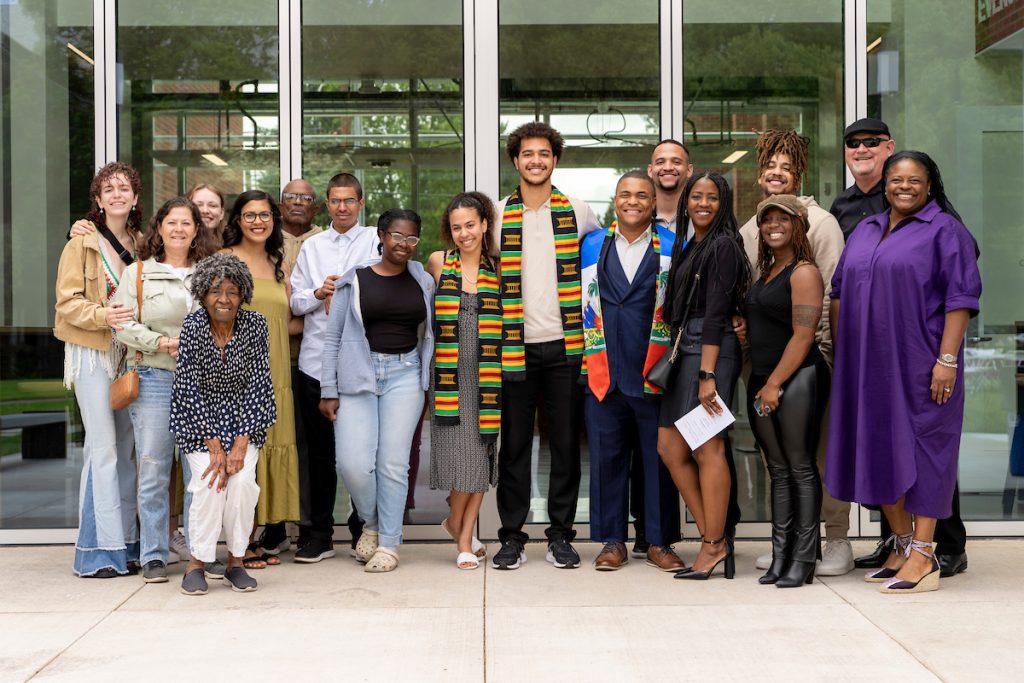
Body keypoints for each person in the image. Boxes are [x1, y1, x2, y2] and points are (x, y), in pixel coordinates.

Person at [826, 151, 981, 594]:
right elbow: (838, 290)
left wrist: (947, 360)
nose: (904, 186)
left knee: (926, 452)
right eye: (897, 179)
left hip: (922, 363)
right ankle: (902, 543)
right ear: (886, 184)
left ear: (930, 185)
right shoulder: (865, 229)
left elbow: (961, 299)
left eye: (915, 179)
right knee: (878, 449)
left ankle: (926, 555)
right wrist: (844, 350)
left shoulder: (945, 231)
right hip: (866, 364)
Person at [488, 121, 601, 571]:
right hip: (514, 345)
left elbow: (598, 269)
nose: (536, 161)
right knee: (514, 445)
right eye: (527, 154)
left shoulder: (579, 210)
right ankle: (512, 535)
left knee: (565, 447)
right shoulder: (496, 214)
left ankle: (560, 534)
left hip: (566, 345)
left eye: (544, 154)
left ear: (554, 160)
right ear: (515, 161)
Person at [737, 128, 851, 576]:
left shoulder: (820, 223)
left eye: (787, 166)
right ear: (760, 172)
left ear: (799, 172)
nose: (777, 173)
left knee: (816, 455)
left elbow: (827, 294)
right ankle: (788, 542)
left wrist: (823, 358)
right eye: (770, 166)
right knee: (779, 459)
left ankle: (835, 538)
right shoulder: (754, 224)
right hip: (762, 361)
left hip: (808, 359)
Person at [319, 209, 434, 573]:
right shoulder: (353, 280)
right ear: (382, 236)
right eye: (397, 236)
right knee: (352, 464)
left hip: (406, 374)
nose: (404, 244)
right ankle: (372, 520)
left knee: (393, 464)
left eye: (411, 238)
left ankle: (388, 543)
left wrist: (428, 383)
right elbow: (332, 337)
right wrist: (328, 389)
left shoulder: (423, 280)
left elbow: (429, 334)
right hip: (358, 374)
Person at [580, 171, 683, 572]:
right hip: (603, 369)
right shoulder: (591, 245)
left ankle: (658, 541)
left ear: (655, 201)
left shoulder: (675, 246)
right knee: (607, 459)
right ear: (615, 199)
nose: (634, 201)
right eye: (626, 194)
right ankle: (612, 541)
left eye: (643, 195)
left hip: (653, 370)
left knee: (659, 460)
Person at [658, 171, 750, 580]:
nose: (703, 204)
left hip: (710, 353)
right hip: (685, 350)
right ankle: (715, 538)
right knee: (670, 447)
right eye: (696, 196)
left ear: (723, 203)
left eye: (712, 197)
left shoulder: (725, 245)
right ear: (685, 201)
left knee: (706, 448)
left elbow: (715, 315)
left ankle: (712, 544)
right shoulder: (689, 244)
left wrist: (709, 374)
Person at [113, 197, 208, 583]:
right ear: (160, 228)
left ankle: (199, 554)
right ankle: (153, 554)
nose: (179, 229)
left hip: (200, 383)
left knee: (198, 472)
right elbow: (121, 324)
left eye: (187, 223)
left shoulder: (209, 273)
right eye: (172, 222)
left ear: (196, 230)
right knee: (153, 469)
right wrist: (161, 342)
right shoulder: (137, 273)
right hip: (153, 375)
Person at [55, 162, 143, 578]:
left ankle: (126, 542)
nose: (116, 194)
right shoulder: (82, 242)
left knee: (126, 451)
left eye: (123, 188)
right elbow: (66, 303)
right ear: (98, 199)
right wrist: (101, 315)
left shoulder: (143, 244)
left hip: (130, 357)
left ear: (135, 197)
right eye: (108, 189)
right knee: (103, 448)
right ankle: (98, 550)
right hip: (92, 353)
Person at [170, 253, 276, 595]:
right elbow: (188, 385)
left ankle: (235, 561)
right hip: (200, 423)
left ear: (243, 293)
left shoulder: (255, 324)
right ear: (203, 294)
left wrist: (240, 443)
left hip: (245, 420)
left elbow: (260, 383)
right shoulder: (194, 325)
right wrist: (214, 445)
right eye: (216, 291)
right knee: (209, 484)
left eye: (232, 291)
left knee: (243, 483)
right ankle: (197, 563)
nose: (224, 299)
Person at [289, 172, 380, 563]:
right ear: (326, 204)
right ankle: (318, 534)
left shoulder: (376, 239)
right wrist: (317, 293)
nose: (342, 207)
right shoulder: (312, 247)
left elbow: (385, 288)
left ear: (361, 203)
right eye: (335, 201)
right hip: (314, 362)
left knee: (362, 453)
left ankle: (365, 527)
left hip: (361, 363)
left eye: (349, 201)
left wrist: (350, 291)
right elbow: (292, 302)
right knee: (318, 455)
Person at [745, 195, 830, 588]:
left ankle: (804, 558)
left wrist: (774, 384)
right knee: (778, 470)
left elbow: (802, 336)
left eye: (783, 219)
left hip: (796, 379)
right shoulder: (766, 271)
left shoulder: (803, 272)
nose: (773, 225)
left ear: (799, 225)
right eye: (767, 220)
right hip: (763, 381)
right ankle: (781, 556)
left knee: (800, 467)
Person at [222, 191, 301, 569]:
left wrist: (327, 306)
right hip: (238, 373)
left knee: (265, 452)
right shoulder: (224, 261)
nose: (258, 221)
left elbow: (285, 322)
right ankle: (238, 545)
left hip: (277, 374)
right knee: (242, 456)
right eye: (250, 215)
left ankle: (251, 539)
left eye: (265, 215)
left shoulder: (277, 262)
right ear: (237, 220)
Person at [426, 192, 501, 570]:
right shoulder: (438, 262)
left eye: (470, 224)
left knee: (480, 459)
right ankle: (458, 526)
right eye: (456, 227)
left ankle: (463, 536)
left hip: (489, 380)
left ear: (485, 223)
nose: (464, 233)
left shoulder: (500, 268)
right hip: (450, 379)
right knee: (462, 460)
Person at [276, 179, 323, 553]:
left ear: (316, 206)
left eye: (305, 198)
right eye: (291, 197)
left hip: (308, 360)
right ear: (280, 204)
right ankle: (274, 525)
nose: (297, 203)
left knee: (308, 449)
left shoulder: (326, 242)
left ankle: (306, 524)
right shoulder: (262, 237)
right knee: (272, 444)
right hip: (271, 360)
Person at [648, 139, 694, 237]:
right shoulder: (639, 218)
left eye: (676, 162)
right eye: (660, 162)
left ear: (689, 170)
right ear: (650, 170)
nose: (668, 167)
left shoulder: (702, 218)